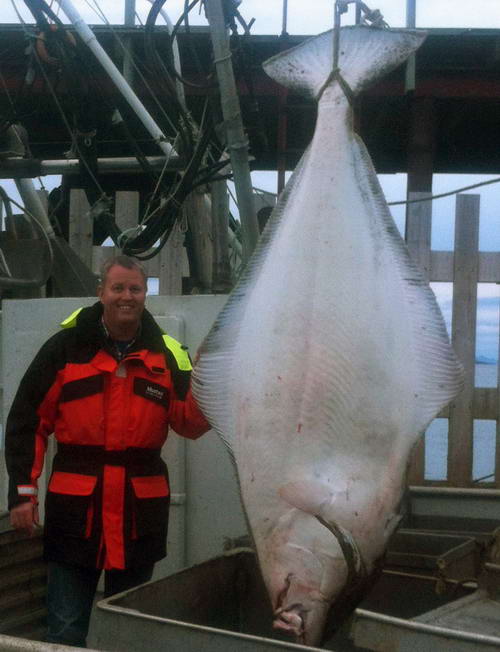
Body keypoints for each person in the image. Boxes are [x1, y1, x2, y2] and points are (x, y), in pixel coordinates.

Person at [5, 254, 210, 647]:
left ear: (144, 295)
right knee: (65, 630)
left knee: (130, 634)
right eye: (117, 288)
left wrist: (210, 382)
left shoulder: (168, 354)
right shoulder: (64, 348)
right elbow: (27, 421)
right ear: (101, 292)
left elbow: (190, 423)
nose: (126, 297)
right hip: (75, 516)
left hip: (138, 514)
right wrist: (23, 494)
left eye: (135, 289)